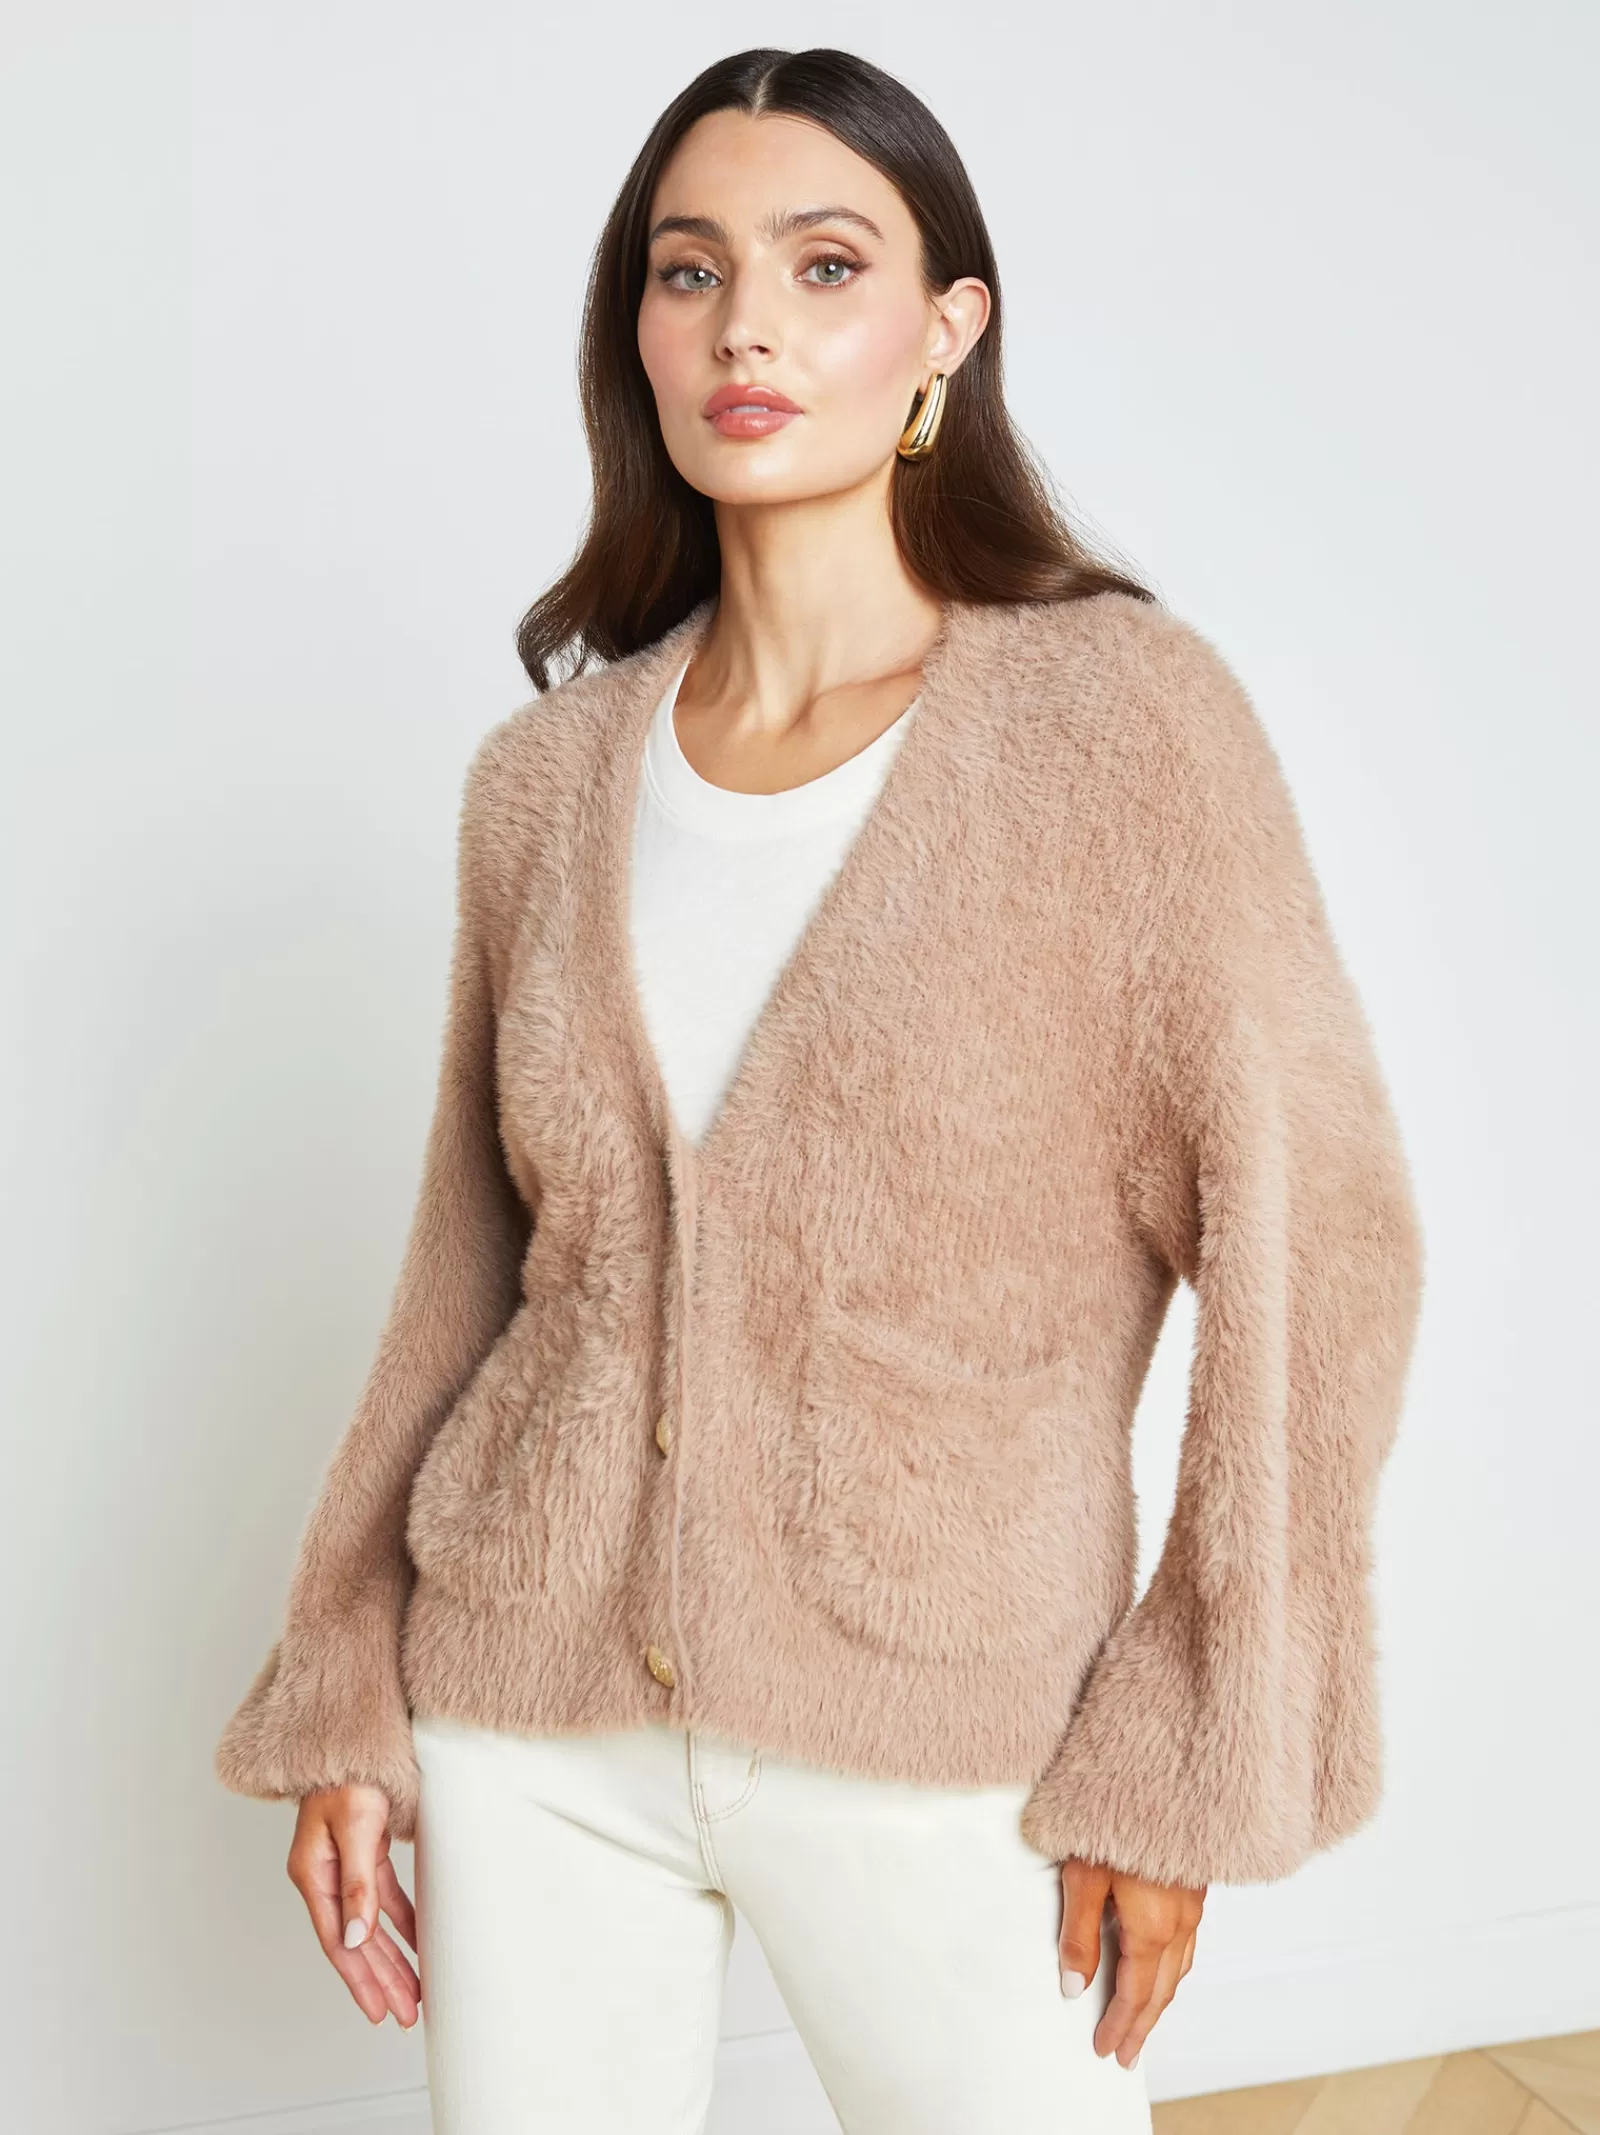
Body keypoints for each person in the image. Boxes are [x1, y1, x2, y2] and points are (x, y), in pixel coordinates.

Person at [214, 45, 1426, 2135]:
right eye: (688, 272)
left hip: (950, 1729)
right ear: (637, 332)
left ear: (946, 327)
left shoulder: (1120, 727)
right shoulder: (545, 786)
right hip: (529, 1713)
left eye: (825, 264)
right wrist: (347, 1676)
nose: (745, 327)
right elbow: (464, 1280)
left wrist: (1188, 1731)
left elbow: (1321, 1246)